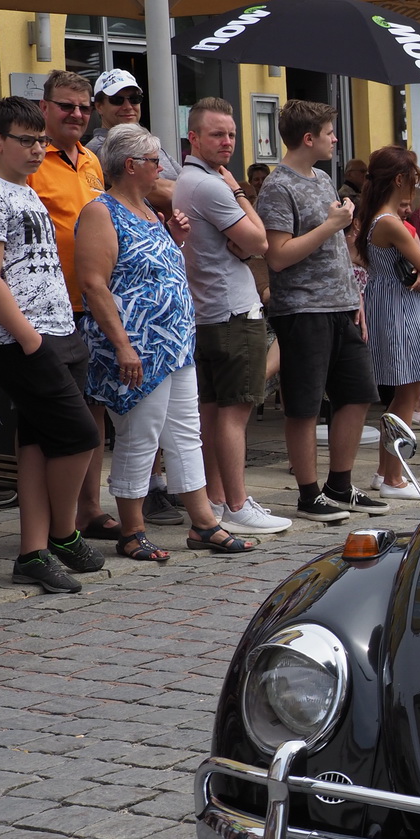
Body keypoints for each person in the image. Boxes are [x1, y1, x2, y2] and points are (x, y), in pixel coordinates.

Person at [75, 123, 257, 562]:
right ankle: (132, 529)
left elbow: (150, 268)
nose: (162, 169)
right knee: (141, 434)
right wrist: (122, 346)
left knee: (184, 433)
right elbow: (95, 283)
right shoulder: (102, 211)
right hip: (139, 346)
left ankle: (203, 522)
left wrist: (173, 239)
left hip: (173, 344)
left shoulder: (149, 210)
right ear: (131, 165)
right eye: (155, 161)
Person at [0, 97, 104, 594]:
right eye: (26, 140)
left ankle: (33, 551)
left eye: (40, 140)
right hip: (23, 336)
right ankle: (63, 534)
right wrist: (28, 338)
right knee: (80, 436)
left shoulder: (27, 192)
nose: (36, 148)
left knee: (38, 441)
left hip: (60, 326)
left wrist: (58, 328)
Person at [256, 99, 389, 522]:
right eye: (330, 132)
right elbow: (277, 256)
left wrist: (356, 299)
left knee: (356, 396)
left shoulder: (323, 180)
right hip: (302, 309)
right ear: (308, 138)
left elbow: (336, 252)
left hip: (341, 304)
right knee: (305, 404)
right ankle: (309, 494)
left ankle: (340, 485)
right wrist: (330, 225)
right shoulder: (278, 186)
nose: (335, 138)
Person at [27, 69, 143, 539]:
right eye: (64, 106)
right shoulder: (33, 159)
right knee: (56, 421)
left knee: (91, 409)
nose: (75, 114)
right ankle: (54, 523)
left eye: (81, 107)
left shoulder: (93, 160)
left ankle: (89, 509)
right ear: (44, 109)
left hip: (93, 304)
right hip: (50, 309)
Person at [175, 97, 289, 536]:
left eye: (232, 134)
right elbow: (260, 241)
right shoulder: (212, 185)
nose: (227, 142)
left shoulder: (189, 180)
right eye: (217, 134)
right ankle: (238, 503)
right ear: (195, 137)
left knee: (213, 411)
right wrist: (241, 193)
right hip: (231, 309)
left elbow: (247, 243)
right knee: (234, 411)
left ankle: (220, 500)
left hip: (209, 309)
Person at [357, 145, 420, 498]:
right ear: (401, 180)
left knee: (403, 393)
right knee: (406, 393)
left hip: (391, 301)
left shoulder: (376, 217)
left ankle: (384, 471)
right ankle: (393, 478)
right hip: (401, 308)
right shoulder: (391, 222)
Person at [86, 70, 178, 209]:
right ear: (99, 106)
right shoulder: (101, 148)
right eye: (117, 100)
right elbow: (164, 195)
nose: (128, 106)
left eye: (134, 99)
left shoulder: (147, 142)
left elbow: (189, 181)